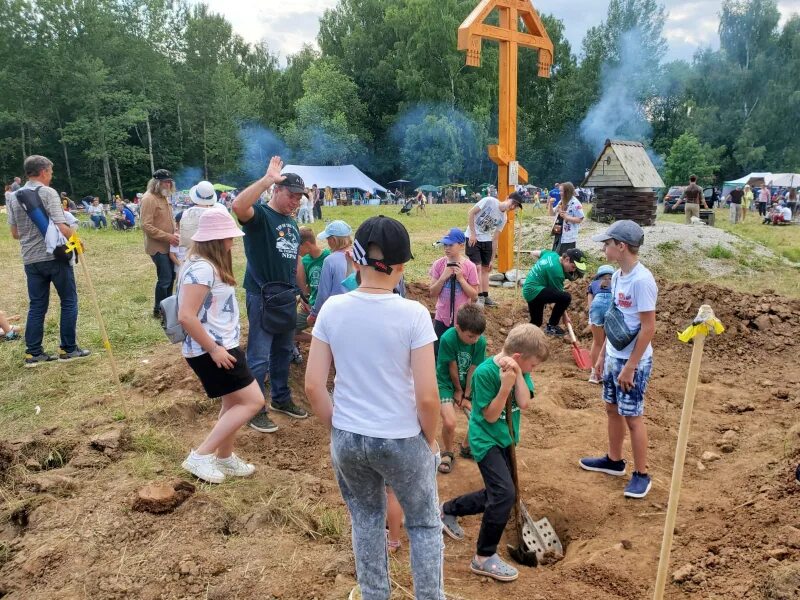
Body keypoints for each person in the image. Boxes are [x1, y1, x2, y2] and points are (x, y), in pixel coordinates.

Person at [305, 215, 444, 600]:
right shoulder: (413, 314)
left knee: (366, 519)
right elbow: (428, 397)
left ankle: (374, 595)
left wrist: (341, 428)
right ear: (401, 266)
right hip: (400, 437)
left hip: (349, 437)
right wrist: (428, 442)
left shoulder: (333, 309)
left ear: (355, 257)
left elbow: (314, 385)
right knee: (424, 524)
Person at [440, 324, 549, 583]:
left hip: (506, 439)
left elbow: (523, 402)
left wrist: (518, 378)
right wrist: (504, 387)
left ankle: (447, 510)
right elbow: (489, 416)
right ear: (519, 358)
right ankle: (483, 557)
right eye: (532, 366)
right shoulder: (486, 374)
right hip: (485, 439)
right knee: (504, 494)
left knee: (497, 492)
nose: (533, 370)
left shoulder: (519, 371)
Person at [178, 209, 262, 484]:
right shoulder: (202, 269)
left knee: (233, 402)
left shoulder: (205, 265)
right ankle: (201, 455)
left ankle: (224, 458)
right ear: (216, 240)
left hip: (222, 345)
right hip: (212, 349)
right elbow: (186, 315)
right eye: (228, 238)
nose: (232, 243)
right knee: (253, 402)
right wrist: (214, 349)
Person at [580, 220, 657, 499]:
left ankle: (641, 474)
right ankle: (614, 461)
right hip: (614, 355)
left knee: (633, 417)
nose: (604, 248)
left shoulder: (642, 280)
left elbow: (648, 327)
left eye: (608, 243)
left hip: (632, 362)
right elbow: (614, 317)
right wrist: (602, 354)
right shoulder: (615, 277)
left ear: (621, 246)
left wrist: (631, 366)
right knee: (612, 409)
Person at [232, 156, 308, 435]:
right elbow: (238, 206)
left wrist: (301, 290)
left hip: (286, 296)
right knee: (259, 355)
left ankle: (280, 397)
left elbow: (293, 260)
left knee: (283, 351)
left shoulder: (291, 222)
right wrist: (266, 179)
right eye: (291, 195)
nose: (296, 201)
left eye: (300, 197)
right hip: (262, 295)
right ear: (276, 191)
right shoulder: (261, 216)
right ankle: (254, 408)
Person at [6, 155, 90, 366]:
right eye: (51, 172)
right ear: (43, 171)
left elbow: (15, 233)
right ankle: (68, 348)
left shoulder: (14, 197)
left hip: (30, 259)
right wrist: (77, 240)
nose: (51, 177)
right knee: (69, 300)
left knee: (37, 305)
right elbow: (61, 226)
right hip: (54, 255)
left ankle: (33, 353)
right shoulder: (48, 193)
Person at [436, 303, 486, 474]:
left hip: (469, 385)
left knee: (479, 417)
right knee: (450, 422)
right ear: (458, 328)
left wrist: (467, 394)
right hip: (446, 383)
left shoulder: (480, 341)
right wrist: (458, 390)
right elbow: (452, 367)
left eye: (478, 336)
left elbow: (473, 368)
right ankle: (448, 453)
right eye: (471, 336)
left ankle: (466, 447)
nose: (475, 340)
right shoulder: (448, 338)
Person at [465, 191, 524, 307]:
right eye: (513, 203)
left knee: (486, 268)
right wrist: (472, 234)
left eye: (516, 206)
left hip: (486, 240)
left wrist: (492, 259)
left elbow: (495, 238)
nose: (513, 207)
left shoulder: (503, 218)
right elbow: (471, 213)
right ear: (507, 198)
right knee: (477, 267)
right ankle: (479, 296)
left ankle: (486, 296)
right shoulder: (489, 201)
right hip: (473, 237)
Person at [428, 227, 479, 353]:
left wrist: (461, 279)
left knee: (459, 352)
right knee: (439, 352)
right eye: (445, 245)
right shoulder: (438, 264)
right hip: (441, 317)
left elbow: (475, 296)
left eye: (450, 245)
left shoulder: (469, 266)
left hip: (462, 319)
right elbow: (432, 293)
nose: (447, 248)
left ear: (461, 245)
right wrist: (442, 278)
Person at [521, 248, 587, 336]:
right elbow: (561, 298)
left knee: (536, 322)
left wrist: (540, 270)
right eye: (573, 267)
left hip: (530, 288)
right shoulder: (556, 272)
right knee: (566, 297)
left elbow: (534, 252)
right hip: (535, 292)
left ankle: (523, 336)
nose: (573, 270)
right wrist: (565, 317)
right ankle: (552, 326)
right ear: (567, 259)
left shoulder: (552, 255)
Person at [140, 169, 178, 319]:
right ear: (157, 183)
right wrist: (168, 236)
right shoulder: (149, 199)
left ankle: (167, 307)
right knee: (165, 279)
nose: (168, 185)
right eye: (165, 182)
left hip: (170, 245)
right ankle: (158, 310)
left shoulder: (164, 197)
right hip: (158, 247)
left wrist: (175, 233)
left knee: (172, 277)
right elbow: (146, 226)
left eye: (170, 182)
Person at [308, 220, 353, 324]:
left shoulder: (330, 260)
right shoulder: (358, 256)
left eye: (328, 239)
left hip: (336, 310)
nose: (327, 242)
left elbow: (323, 292)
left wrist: (314, 314)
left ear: (333, 240)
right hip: (355, 308)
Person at [295, 226, 330, 346]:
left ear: (307, 244)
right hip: (312, 306)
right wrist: (303, 299)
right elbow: (309, 285)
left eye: (297, 245)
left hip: (328, 307)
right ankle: (322, 342)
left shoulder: (328, 257)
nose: (296, 249)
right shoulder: (304, 261)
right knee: (290, 331)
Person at [587, 265, 615, 384]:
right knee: (609, 342)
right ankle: (607, 372)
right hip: (611, 306)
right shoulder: (616, 283)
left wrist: (591, 319)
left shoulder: (593, 284)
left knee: (597, 342)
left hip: (596, 307)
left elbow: (590, 304)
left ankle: (594, 374)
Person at [552, 182, 584, 253]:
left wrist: (567, 217)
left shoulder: (575, 203)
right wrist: (549, 203)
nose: (559, 193)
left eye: (561, 191)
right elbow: (552, 213)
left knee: (565, 256)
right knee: (556, 254)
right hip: (559, 232)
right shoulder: (561, 201)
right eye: (559, 191)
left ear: (567, 192)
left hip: (568, 236)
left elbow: (580, 219)